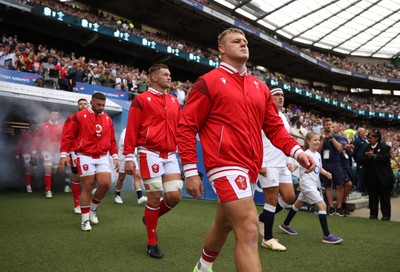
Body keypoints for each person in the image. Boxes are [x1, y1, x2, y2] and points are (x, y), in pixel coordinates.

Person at [177, 28, 315, 272]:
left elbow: (275, 128)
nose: (243, 44)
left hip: (250, 167)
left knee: (224, 224)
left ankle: (202, 267)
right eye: (236, 41)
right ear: (221, 48)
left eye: (245, 41)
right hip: (224, 163)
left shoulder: (260, 87)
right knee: (250, 228)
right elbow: (186, 127)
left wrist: (297, 151)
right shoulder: (207, 82)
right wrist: (189, 170)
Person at [124, 64, 183, 259]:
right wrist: (128, 157)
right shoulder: (141, 100)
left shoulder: (174, 102)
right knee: (155, 197)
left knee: (174, 197)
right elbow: (132, 129)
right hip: (149, 152)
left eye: (170, 73)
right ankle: (151, 242)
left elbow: (180, 129)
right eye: (166, 74)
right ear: (154, 78)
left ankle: (150, 218)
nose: (170, 77)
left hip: (170, 154)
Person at [59, 92, 118, 231]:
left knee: (105, 184)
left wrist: (115, 156)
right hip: (85, 155)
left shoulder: (108, 119)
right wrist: (64, 154)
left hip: (103, 156)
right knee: (88, 186)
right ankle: (85, 220)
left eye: (103, 105)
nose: (101, 107)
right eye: (98, 105)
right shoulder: (78, 117)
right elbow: (68, 136)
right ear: (91, 103)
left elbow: (112, 140)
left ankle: (93, 209)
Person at [280, 132, 343, 244]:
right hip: (306, 184)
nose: (318, 142)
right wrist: (288, 168)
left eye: (318, 140)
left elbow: (319, 168)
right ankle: (327, 235)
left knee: (297, 204)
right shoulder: (304, 154)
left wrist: (326, 173)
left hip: (312, 184)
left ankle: (285, 224)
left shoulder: (318, 155)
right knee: (322, 205)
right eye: (315, 140)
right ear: (308, 142)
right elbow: (294, 167)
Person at [258, 87, 295, 252]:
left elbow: (285, 140)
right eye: (277, 95)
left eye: (282, 95)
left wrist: (289, 159)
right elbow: (256, 140)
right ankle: (267, 238)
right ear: (269, 98)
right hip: (269, 163)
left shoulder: (285, 118)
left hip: (282, 164)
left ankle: (261, 219)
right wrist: (261, 163)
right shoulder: (262, 113)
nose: (281, 97)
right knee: (271, 200)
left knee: (289, 197)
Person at [61, 98, 89, 214]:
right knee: (77, 176)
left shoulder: (93, 118)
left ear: (88, 106)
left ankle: (87, 203)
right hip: (74, 152)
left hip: (89, 152)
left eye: (84, 104)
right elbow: (66, 136)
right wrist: (65, 153)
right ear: (78, 107)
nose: (83, 105)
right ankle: (77, 203)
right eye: (80, 104)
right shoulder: (72, 118)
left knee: (88, 178)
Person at [361, 129, 395, 220]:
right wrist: (368, 157)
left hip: (383, 178)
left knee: (385, 198)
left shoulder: (385, 147)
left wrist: (374, 156)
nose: (369, 139)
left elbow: (386, 158)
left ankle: (386, 215)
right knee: (372, 198)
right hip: (371, 178)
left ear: (376, 138)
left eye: (371, 138)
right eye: (368, 138)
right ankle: (373, 214)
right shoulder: (367, 147)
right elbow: (361, 159)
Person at [317, 118, 346, 216]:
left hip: (336, 163)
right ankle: (330, 207)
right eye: (327, 125)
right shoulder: (320, 137)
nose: (328, 126)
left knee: (340, 185)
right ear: (324, 125)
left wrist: (332, 137)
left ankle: (339, 207)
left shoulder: (337, 136)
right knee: (327, 186)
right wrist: (322, 139)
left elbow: (340, 150)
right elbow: (318, 151)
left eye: (330, 124)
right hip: (325, 164)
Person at [33, 110, 64, 198]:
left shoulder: (61, 126)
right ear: (50, 115)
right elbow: (37, 137)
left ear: (58, 116)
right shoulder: (43, 126)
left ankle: (48, 185)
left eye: (56, 114)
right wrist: (34, 149)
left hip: (57, 151)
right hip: (46, 150)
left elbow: (64, 139)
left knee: (53, 172)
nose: (54, 116)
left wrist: (65, 151)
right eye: (53, 114)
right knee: (48, 169)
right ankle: (48, 190)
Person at [114, 128, 147, 205]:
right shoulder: (126, 131)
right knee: (121, 177)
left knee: (137, 175)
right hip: (123, 156)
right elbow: (125, 144)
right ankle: (117, 195)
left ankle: (140, 197)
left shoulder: (140, 131)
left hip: (133, 156)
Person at [353, 127, 369, 195]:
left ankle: (365, 190)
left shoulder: (365, 140)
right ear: (359, 133)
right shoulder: (357, 141)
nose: (365, 132)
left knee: (365, 176)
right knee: (360, 176)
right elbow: (354, 152)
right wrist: (357, 159)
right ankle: (360, 190)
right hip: (360, 161)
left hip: (365, 161)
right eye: (363, 131)